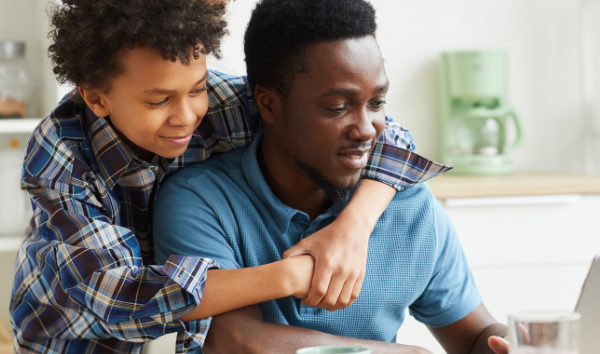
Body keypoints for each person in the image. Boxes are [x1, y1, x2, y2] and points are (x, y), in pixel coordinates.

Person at [9, 0, 449, 353]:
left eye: (196, 88)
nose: (186, 116)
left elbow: (389, 137)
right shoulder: (61, 154)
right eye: (159, 100)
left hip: (171, 323)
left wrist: (353, 227)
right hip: (73, 332)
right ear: (96, 96)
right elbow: (118, 298)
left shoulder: (224, 102)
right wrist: (294, 275)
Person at [152, 0, 511, 353]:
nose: (367, 130)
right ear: (269, 105)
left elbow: (473, 336)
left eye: (377, 103)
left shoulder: (410, 206)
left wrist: (511, 344)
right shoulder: (199, 200)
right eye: (338, 108)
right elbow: (237, 341)